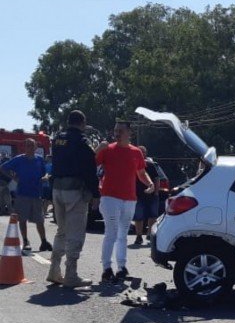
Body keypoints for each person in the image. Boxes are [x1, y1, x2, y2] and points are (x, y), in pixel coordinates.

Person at [96, 121, 154, 283]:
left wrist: (149, 184)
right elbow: (92, 164)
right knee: (112, 232)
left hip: (129, 199)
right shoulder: (107, 149)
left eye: (121, 130)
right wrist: (98, 149)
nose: (117, 133)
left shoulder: (136, 152)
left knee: (123, 234)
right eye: (115, 130)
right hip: (110, 197)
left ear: (129, 133)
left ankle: (122, 267)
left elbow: (141, 173)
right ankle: (107, 268)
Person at [47, 110, 100, 288]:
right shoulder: (81, 141)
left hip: (57, 189)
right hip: (74, 191)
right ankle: (71, 274)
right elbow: (90, 169)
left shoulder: (57, 139)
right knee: (75, 233)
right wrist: (95, 193)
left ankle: (54, 270)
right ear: (82, 122)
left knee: (61, 231)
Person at [0, 138, 52, 252]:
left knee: (40, 220)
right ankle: (26, 241)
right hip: (23, 193)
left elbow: (45, 172)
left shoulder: (39, 159)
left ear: (35, 147)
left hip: (36, 193)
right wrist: (14, 177)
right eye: (27, 145)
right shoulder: (19, 159)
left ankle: (44, 241)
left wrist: (46, 177)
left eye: (32, 146)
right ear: (25, 147)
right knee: (22, 219)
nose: (30, 148)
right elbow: (3, 168)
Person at [132, 145, 160, 246]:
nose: (141, 153)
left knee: (152, 215)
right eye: (139, 151)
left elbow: (157, 179)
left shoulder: (150, 165)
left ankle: (149, 235)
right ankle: (139, 236)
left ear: (145, 154)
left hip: (152, 195)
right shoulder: (133, 164)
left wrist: (156, 192)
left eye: (143, 152)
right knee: (138, 217)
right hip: (137, 195)